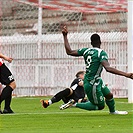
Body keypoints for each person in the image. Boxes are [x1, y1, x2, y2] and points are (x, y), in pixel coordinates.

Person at [61, 25, 133, 114]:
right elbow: (108, 68)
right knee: (100, 106)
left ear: (91, 43)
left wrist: (65, 36)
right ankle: (74, 104)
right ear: (100, 42)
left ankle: (113, 111)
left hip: (96, 80)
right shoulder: (101, 53)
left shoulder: (86, 50)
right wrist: (126, 74)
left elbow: (69, 52)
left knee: (109, 95)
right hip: (92, 84)